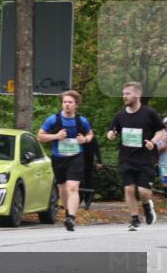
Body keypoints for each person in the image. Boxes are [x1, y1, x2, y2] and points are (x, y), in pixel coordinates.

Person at [106, 82, 162, 231]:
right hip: (126, 158)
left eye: (128, 93)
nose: (124, 96)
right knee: (129, 189)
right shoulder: (120, 115)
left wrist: (153, 141)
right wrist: (111, 135)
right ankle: (134, 219)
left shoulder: (149, 112)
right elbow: (112, 131)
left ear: (137, 94)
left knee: (143, 191)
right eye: (123, 93)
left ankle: (147, 206)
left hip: (145, 158)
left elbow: (161, 130)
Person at [37, 90, 94, 231]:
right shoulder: (53, 120)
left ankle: (71, 218)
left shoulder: (82, 121)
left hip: (76, 157)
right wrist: (55, 136)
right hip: (58, 158)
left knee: (72, 187)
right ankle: (68, 212)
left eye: (70, 102)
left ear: (76, 105)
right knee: (62, 189)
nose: (67, 105)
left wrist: (85, 139)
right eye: (65, 102)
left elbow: (90, 133)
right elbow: (40, 136)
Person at [80, 123, 103, 210]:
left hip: (88, 161)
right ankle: (79, 198)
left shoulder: (92, 137)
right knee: (77, 181)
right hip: (78, 160)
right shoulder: (77, 135)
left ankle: (87, 200)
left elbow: (97, 149)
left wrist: (99, 161)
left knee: (88, 181)